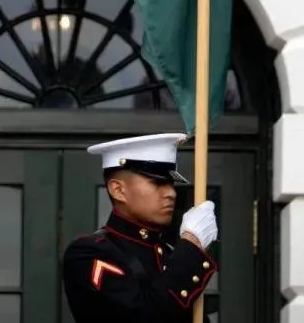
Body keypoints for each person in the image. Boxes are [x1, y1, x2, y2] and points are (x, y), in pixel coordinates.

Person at [61, 132, 218, 320]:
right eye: (158, 183)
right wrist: (191, 244)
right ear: (118, 190)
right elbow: (141, 315)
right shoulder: (91, 253)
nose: (171, 193)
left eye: (170, 183)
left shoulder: (169, 254)